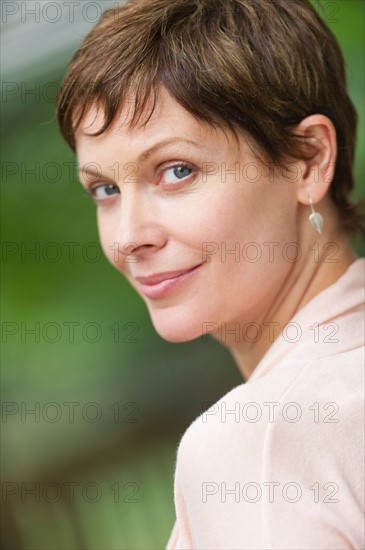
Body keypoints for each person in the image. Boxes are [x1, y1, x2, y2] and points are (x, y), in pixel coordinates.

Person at [56, 0, 365, 547]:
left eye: (177, 171)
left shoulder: (261, 439)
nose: (128, 236)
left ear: (310, 160)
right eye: (105, 189)